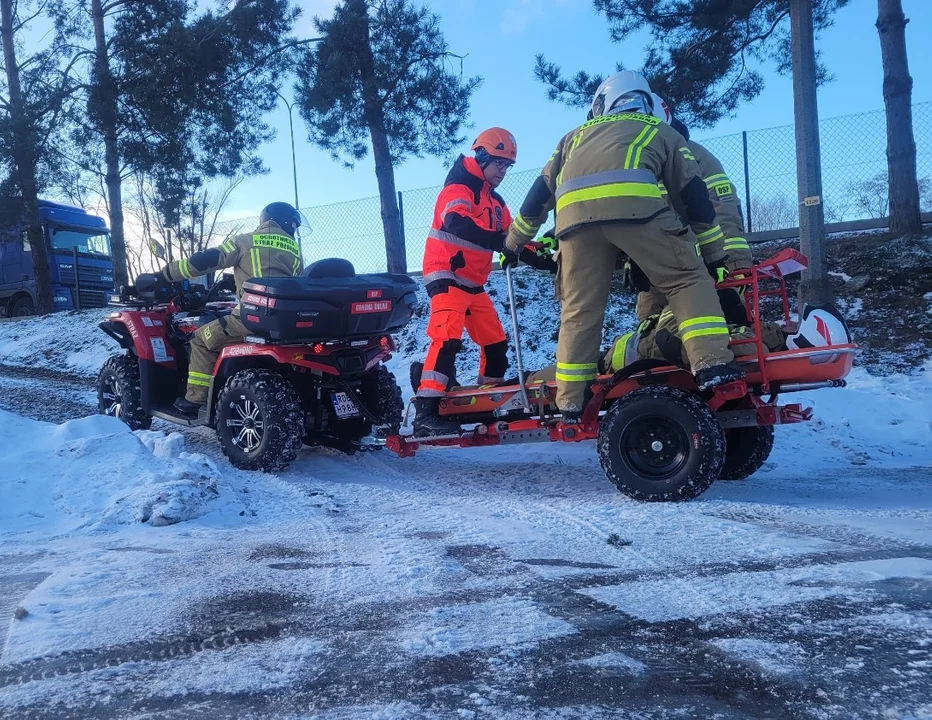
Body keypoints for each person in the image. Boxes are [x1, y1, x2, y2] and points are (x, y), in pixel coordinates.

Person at [502, 70, 743, 422]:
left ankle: (571, 400)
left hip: (574, 225)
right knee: (687, 281)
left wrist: (512, 244)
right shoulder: (659, 131)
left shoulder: (572, 138)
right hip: (638, 213)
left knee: (579, 309)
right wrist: (715, 256)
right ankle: (712, 365)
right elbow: (694, 200)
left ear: (602, 106)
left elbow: (537, 197)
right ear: (646, 103)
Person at [414, 128, 556, 436]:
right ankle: (425, 411)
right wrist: (500, 243)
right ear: (481, 157)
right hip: (445, 274)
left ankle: (486, 402)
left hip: (472, 283)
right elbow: (457, 224)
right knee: (447, 339)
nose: (503, 172)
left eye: (508, 166)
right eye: (499, 164)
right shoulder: (458, 188)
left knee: (495, 343)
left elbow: (511, 240)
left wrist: (547, 261)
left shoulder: (495, 202)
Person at [161, 202, 305, 415]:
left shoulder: (246, 241)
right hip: (286, 321)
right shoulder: (294, 251)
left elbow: (205, 261)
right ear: (286, 222)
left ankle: (195, 400)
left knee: (201, 339)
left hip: (252, 318)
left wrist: (168, 273)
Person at [635, 95, 754, 322]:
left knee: (710, 326)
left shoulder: (697, 158)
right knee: (653, 336)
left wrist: (731, 263)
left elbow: (724, 211)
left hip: (709, 265)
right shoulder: (643, 162)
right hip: (659, 269)